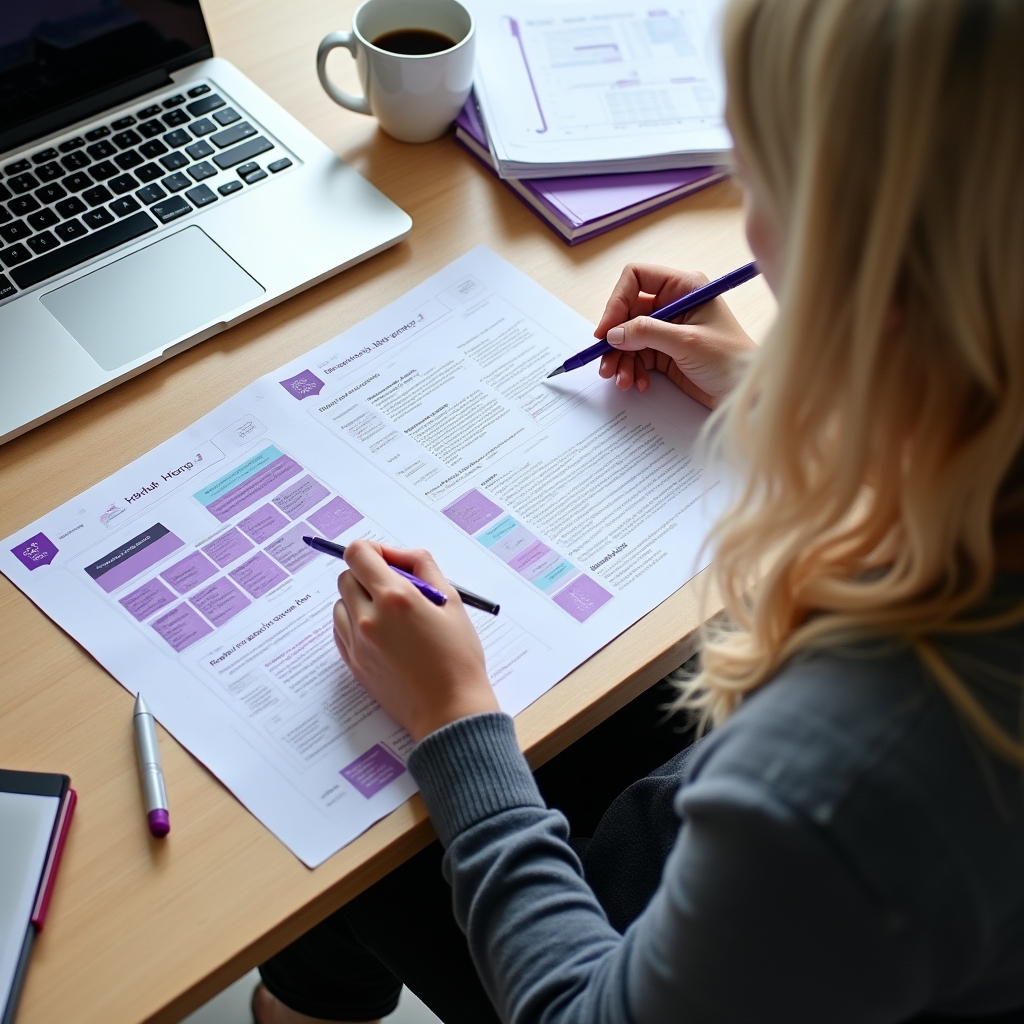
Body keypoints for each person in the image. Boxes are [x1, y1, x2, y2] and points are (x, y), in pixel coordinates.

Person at [254, 0, 1024, 1019]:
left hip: (665, 942)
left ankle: (305, 1005)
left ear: (867, 271)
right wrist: (768, 397)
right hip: (825, 921)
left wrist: (454, 719)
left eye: (764, 178)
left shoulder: (838, 781)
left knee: (329, 854)